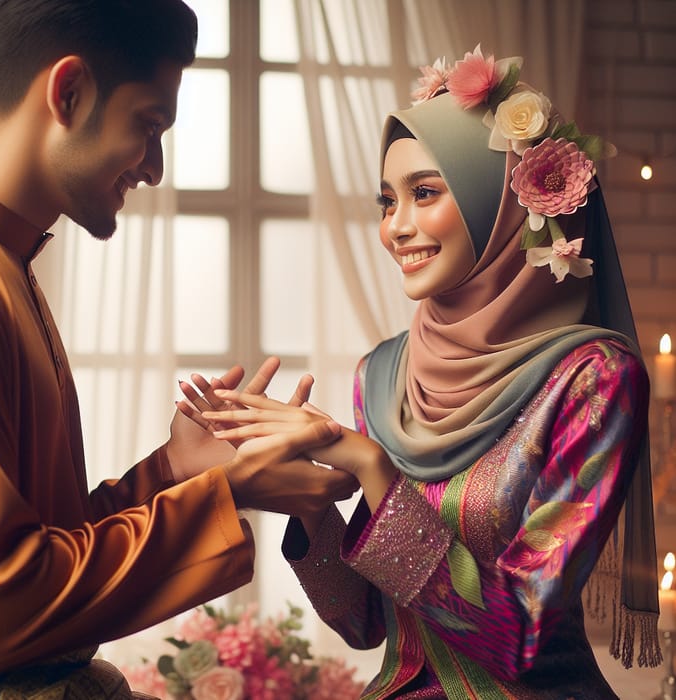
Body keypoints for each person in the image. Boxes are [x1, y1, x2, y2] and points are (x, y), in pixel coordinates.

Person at [193, 46, 662, 698]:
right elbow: (362, 623)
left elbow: (516, 637)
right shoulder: (381, 375)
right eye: (387, 201)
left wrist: (372, 468)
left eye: (424, 194)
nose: (396, 228)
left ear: (498, 201)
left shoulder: (592, 381)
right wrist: (310, 507)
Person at [0, 1, 356, 697]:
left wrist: (177, 468)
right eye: (147, 126)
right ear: (68, 92)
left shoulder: (7, 266)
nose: (153, 168)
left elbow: (49, 548)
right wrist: (229, 489)